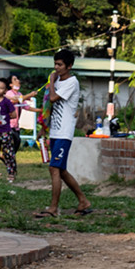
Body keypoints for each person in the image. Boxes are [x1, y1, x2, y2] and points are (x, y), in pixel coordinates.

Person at [34, 49, 92, 218]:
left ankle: (53, 208)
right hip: (55, 131)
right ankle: (83, 201)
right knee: (61, 170)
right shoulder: (58, 81)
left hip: (64, 132)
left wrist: (51, 81)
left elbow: (53, 98)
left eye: (60, 65)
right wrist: (44, 127)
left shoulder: (71, 82)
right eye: (55, 64)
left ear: (69, 66)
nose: (56, 68)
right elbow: (49, 106)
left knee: (54, 168)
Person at [6, 75, 26, 153]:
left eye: (17, 79)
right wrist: (29, 95)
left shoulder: (19, 93)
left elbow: (26, 106)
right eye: (15, 79)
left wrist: (40, 110)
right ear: (10, 84)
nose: (18, 80)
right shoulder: (9, 93)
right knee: (11, 143)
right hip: (9, 124)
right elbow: (15, 100)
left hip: (16, 126)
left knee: (17, 141)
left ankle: (7, 157)